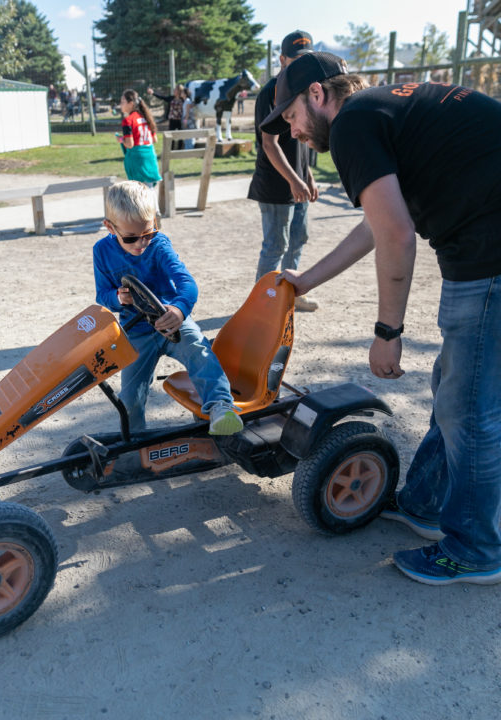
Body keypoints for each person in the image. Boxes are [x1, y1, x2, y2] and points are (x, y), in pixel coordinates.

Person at [261, 51, 501, 585]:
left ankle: (476, 549)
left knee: (472, 411)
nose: (293, 131)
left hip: (490, 254)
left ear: (318, 95)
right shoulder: (378, 113)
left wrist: (387, 332)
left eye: (292, 116)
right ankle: (424, 503)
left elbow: (395, 233)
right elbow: (380, 223)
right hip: (484, 243)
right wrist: (305, 280)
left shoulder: (351, 126)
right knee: (458, 389)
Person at [93, 180, 243, 436]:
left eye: (148, 233)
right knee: (130, 394)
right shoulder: (102, 251)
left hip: (172, 320)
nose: (141, 244)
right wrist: (118, 298)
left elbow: (188, 284)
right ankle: (135, 439)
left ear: (155, 222)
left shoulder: (160, 245)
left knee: (199, 350)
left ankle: (220, 406)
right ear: (110, 227)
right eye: (131, 238)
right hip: (137, 331)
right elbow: (102, 295)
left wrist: (179, 310)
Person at [249, 30, 319, 312]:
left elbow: (300, 142)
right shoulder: (271, 92)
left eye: (306, 60)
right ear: (282, 59)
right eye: (295, 60)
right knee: (276, 245)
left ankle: (291, 293)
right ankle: (260, 304)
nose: (301, 65)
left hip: (298, 180)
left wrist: (308, 175)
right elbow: (270, 143)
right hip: (277, 185)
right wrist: (294, 179)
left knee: (299, 237)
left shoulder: (304, 89)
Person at [116, 89, 161, 188]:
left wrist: (120, 139)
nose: (120, 104)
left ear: (131, 103)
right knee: (150, 193)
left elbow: (130, 144)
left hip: (137, 162)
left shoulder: (128, 120)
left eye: (123, 102)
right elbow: (154, 139)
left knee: (139, 194)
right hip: (150, 158)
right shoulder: (146, 117)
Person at [147, 84, 185, 149]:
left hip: (180, 120)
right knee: (171, 134)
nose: (174, 90)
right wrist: (153, 93)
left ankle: (180, 148)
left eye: (175, 89)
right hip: (172, 119)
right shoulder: (171, 98)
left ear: (179, 91)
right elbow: (162, 97)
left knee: (180, 134)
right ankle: (171, 148)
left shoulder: (183, 99)